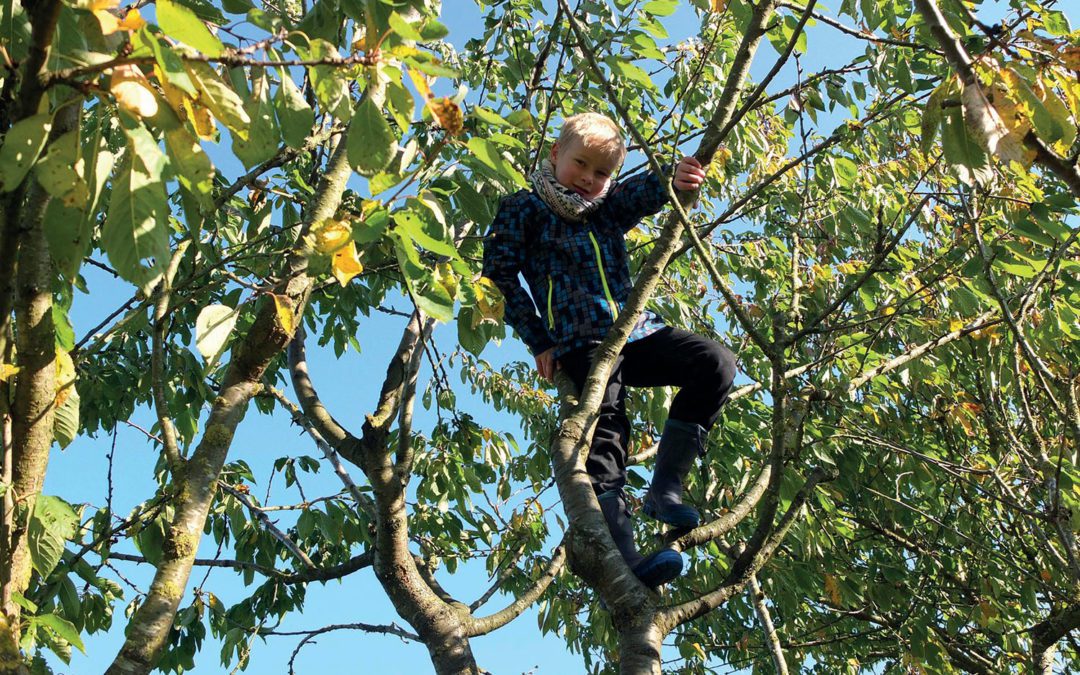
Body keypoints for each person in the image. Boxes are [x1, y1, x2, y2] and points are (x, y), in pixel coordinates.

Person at [482, 112, 736, 587]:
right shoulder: (524, 208)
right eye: (581, 164)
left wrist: (675, 177)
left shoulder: (605, 208)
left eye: (602, 173)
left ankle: (666, 489)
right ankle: (626, 555)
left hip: (633, 332)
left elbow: (640, 191)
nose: (589, 179)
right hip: (580, 343)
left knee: (715, 362)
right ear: (555, 154)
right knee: (608, 429)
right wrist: (539, 339)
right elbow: (497, 274)